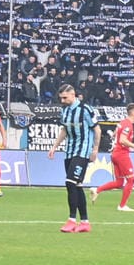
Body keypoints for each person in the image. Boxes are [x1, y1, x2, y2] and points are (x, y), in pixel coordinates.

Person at [47, 84, 96, 232]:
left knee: (70, 182)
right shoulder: (66, 111)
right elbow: (64, 130)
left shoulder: (86, 110)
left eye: (65, 97)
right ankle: (85, 222)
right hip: (69, 151)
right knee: (77, 185)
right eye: (60, 98)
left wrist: (95, 149)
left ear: (73, 94)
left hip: (82, 151)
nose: (62, 100)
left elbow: (97, 129)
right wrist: (55, 146)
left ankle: (72, 220)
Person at [91, 102, 134, 212]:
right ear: (133, 113)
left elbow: (114, 134)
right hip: (122, 154)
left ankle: (97, 190)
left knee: (119, 183)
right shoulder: (128, 124)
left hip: (115, 154)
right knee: (131, 180)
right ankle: (122, 206)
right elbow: (122, 140)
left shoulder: (122, 123)